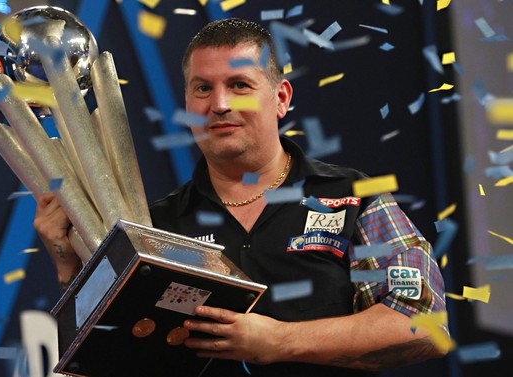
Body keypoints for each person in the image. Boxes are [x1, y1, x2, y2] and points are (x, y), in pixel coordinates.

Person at [34, 18, 448, 377]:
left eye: (239, 85)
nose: (220, 104)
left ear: (281, 98)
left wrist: (281, 341)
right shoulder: (152, 226)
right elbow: (105, 357)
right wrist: (68, 266)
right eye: (202, 88)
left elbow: (423, 324)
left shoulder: (355, 198)